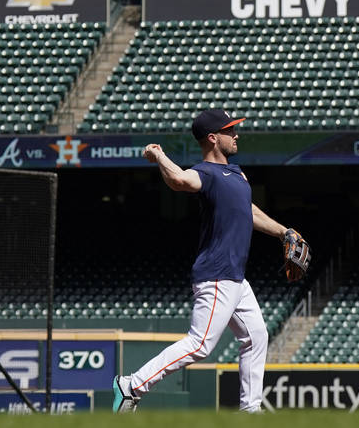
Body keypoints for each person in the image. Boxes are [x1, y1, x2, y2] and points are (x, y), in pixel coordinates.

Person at [111, 109, 302, 413]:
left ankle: (250, 410)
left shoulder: (237, 174)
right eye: (230, 130)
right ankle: (132, 384)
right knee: (200, 344)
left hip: (236, 278)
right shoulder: (206, 173)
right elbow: (178, 179)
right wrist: (160, 156)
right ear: (213, 138)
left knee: (256, 336)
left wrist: (283, 232)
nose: (236, 134)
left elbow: (248, 212)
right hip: (216, 274)